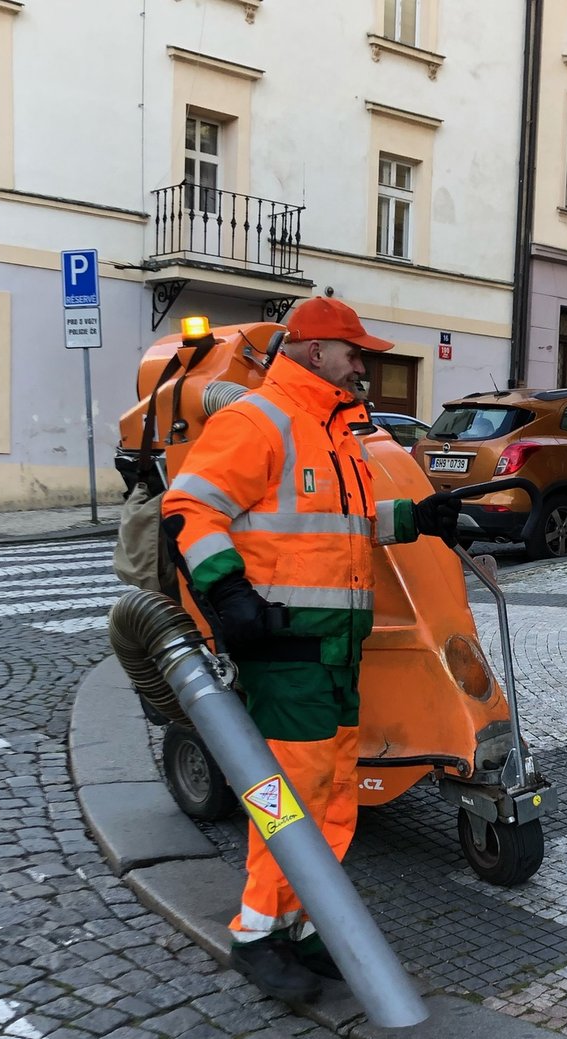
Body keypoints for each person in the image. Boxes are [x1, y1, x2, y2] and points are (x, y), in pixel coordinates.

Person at [161, 297, 460, 1003]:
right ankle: (258, 934)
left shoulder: (334, 433)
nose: (363, 364)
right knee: (289, 799)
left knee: (332, 794)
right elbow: (190, 510)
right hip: (286, 647)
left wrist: (414, 518)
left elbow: (341, 527)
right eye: (352, 351)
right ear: (310, 350)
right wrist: (228, 595)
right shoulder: (257, 420)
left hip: (333, 653)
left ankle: (308, 920)